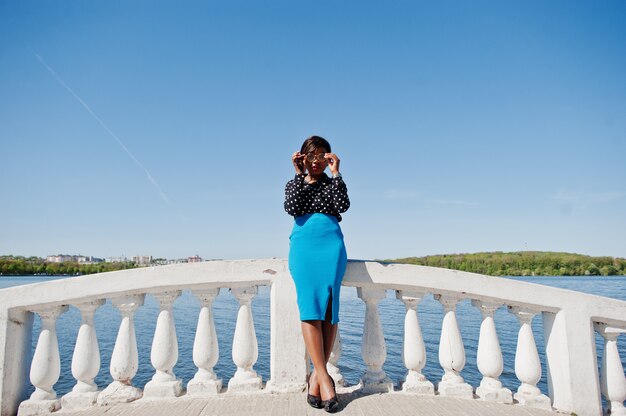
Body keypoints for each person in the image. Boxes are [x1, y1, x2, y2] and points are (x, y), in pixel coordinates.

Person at [284, 136, 350, 413]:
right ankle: (324, 377)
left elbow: (343, 206)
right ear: (303, 157)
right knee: (310, 310)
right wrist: (299, 175)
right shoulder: (294, 183)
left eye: (321, 155)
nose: (316, 161)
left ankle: (316, 378)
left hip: (331, 248)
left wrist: (336, 173)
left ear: (328, 158)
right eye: (311, 156)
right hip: (304, 250)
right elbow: (292, 208)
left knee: (329, 311)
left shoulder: (333, 182)